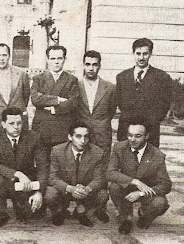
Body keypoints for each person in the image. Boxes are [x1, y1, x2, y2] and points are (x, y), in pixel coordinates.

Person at [107, 118, 172, 234]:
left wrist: (141, 193)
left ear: (146, 136)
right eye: (129, 135)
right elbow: (110, 172)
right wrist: (135, 181)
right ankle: (126, 217)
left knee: (160, 203)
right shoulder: (119, 148)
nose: (132, 140)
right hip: (127, 186)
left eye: (138, 136)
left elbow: (166, 184)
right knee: (114, 187)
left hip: (147, 190)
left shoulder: (157, 154)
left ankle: (144, 214)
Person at [0, 107, 48, 227]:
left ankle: (20, 204)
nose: (16, 127)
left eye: (19, 123)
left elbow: (43, 166)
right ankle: (2, 211)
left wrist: (39, 192)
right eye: (11, 123)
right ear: (3, 124)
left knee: (31, 215)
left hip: (26, 182)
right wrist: (18, 174)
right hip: (6, 179)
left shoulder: (34, 137)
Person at [45, 121, 109, 227]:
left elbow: (99, 179)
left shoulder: (97, 152)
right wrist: (70, 189)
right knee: (49, 194)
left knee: (103, 195)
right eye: (78, 136)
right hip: (65, 190)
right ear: (70, 137)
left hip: (85, 191)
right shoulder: (57, 151)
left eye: (86, 137)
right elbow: (52, 177)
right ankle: (58, 212)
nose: (83, 141)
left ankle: (83, 212)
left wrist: (87, 189)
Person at [77, 50, 116, 219]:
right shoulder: (75, 85)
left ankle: (100, 207)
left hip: (102, 135)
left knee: (101, 170)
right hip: (81, 135)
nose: (91, 68)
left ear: (99, 66)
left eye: (94, 64)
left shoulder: (110, 87)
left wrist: (100, 125)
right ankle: (80, 206)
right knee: (81, 169)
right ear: (83, 65)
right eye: (87, 64)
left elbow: (111, 111)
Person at [116, 38, 172, 147]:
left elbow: (164, 105)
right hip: (126, 131)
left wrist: (148, 124)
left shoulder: (161, 77)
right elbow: (120, 103)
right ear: (133, 54)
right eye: (138, 53)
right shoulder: (122, 77)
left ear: (150, 54)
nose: (141, 58)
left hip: (150, 133)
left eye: (145, 54)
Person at [31, 45, 79, 157]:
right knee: (42, 161)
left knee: (61, 161)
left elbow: (73, 102)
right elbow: (35, 99)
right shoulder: (38, 78)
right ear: (47, 60)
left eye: (59, 58)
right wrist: (57, 99)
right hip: (42, 127)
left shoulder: (72, 80)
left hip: (62, 127)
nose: (56, 62)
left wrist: (53, 108)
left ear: (64, 60)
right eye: (53, 58)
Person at [0, 43, 30, 142]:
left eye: (4, 55)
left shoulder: (21, 74)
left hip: (17, 121)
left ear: (9, 56)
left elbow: (26, 96)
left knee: (20, 151)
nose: (2, 58)